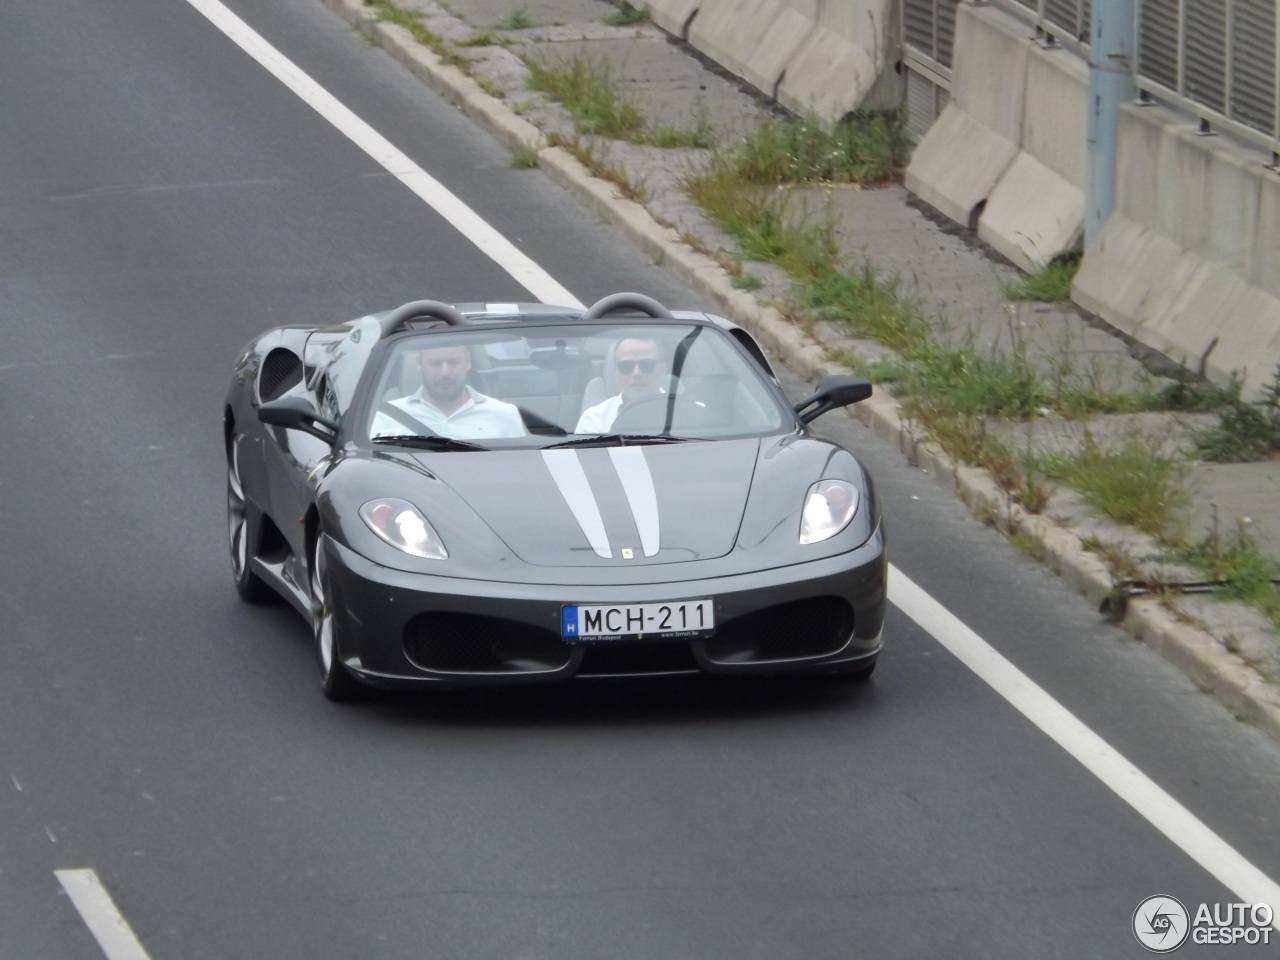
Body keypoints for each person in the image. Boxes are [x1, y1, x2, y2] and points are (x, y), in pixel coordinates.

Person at [370, 344, 525, 440]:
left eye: (453, 362)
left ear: (468, 361)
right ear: (419, 364)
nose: (445, 372)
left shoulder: (504, 414)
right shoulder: (386, 416)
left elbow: (519, 469)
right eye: (435, 363)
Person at [575, 337, 667, 433]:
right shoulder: (594, 420)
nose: (636, 373)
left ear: (662, 370)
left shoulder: (682, 413)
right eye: (626, 366)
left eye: (647, 364)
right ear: (615, 374)